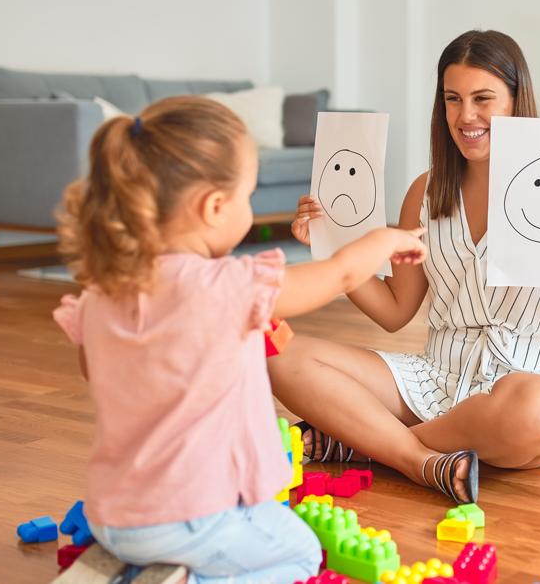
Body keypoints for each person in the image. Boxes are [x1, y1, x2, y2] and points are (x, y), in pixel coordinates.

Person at [51, 96, 427, 583]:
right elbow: (337, 275)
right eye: (247, 196)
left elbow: (98, 370)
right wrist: (387, 239)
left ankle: (128, 567)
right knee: (300, 556)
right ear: (213, 207)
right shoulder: (224, 285)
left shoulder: (101, 294)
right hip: (194, 515)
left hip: (114, 514)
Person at [272, 30, 540, 505]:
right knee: (277, 351)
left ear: (515, 101)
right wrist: (329, 246)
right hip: (434, 378)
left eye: (483, 99)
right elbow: (395, 310)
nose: (466, 117)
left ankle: (375, 443)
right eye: (453, 99)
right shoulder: (427, 190)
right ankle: (421, 459)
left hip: (522, 391)